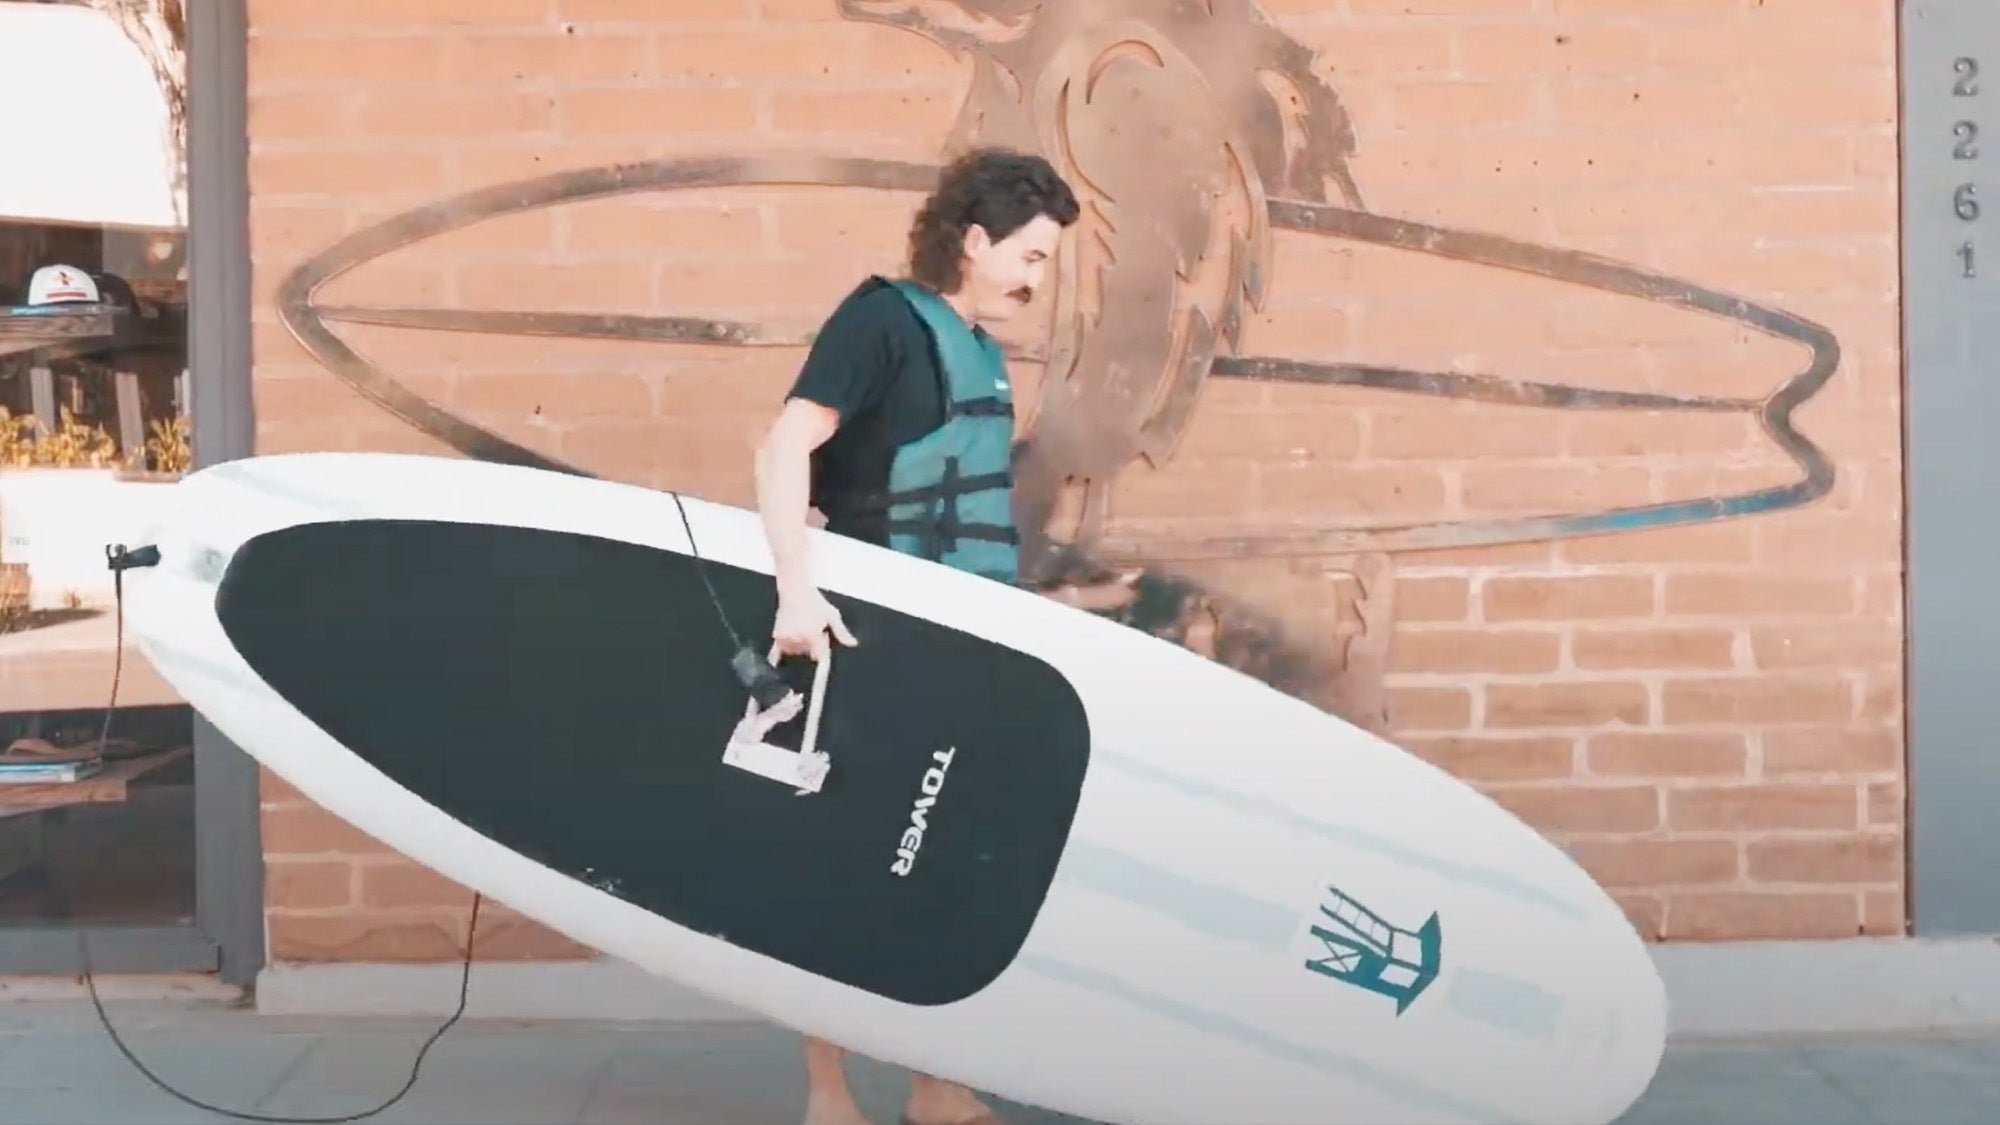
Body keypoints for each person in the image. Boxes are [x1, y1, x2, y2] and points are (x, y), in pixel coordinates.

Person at [751, 147, 1125, 1125]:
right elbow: (786, 445)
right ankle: (825, 1088)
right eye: (1031, 257)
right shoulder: (878, 320)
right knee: (845, 867)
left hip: (965, 653)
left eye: (1046, 264)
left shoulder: (982, 352)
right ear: (971, 238)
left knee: (945, 869)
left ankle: (932, 1082)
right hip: (874, 643)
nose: (1037, 281)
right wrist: (796, 594)